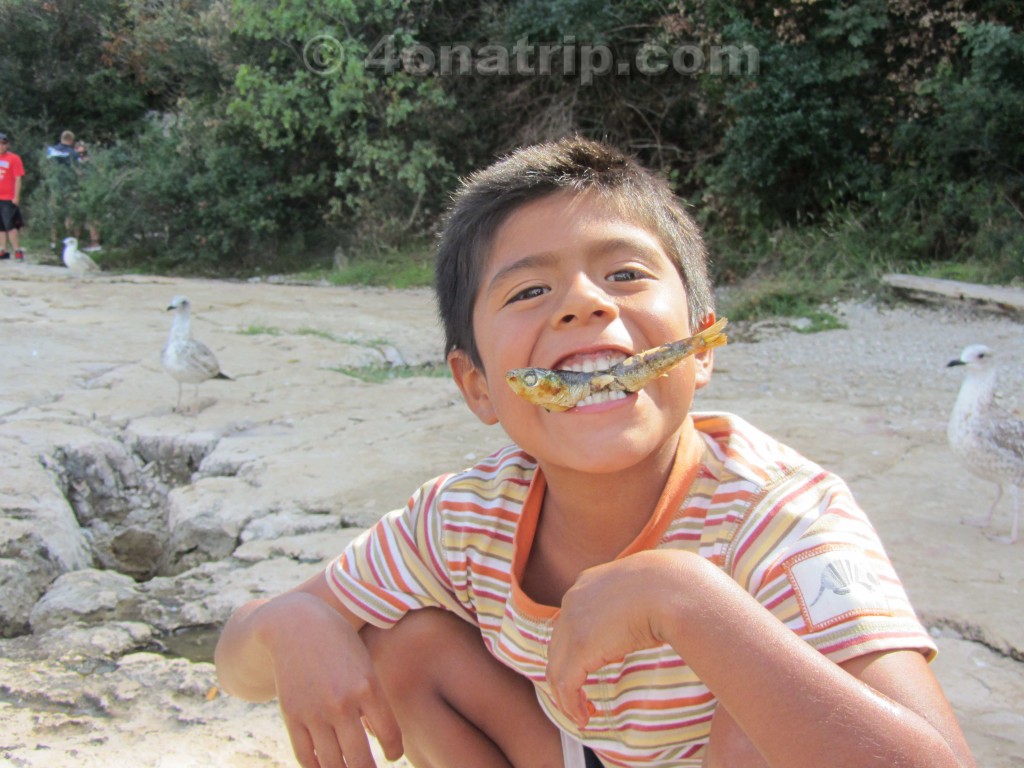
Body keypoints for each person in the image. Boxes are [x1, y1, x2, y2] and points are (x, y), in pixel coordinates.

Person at [215, 138, 976, 768]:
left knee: (761, 706)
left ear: (700, 345)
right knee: (402, 646)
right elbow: (235, 668)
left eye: (625, 273)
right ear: (477, 385)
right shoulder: (463, 518)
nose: (586, 301)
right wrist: (291, 625)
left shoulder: (779, 514)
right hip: (575, 750)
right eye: (527, 292)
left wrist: (683, 599)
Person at [46, 130, 80, 250]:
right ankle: (71, 241)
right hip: (70, 187)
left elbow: (47, 165)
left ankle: (54, 241)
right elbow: (78, 170)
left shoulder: (51, 150)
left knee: (55, 215)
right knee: (71, 215)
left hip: (55, 186)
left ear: (61, 138)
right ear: (71, 140)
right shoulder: (74, 154)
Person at [0, 132, 25, 262]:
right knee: (1, 226)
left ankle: (17, 250)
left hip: (8, 197)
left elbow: (18, 178)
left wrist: (16, 196)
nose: (2, 146)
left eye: (4, 143)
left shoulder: (14, 158)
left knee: (10, 225)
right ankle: (3, 250)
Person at [73, 140, 101, 252]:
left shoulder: (91, 163)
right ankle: (74, 242)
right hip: (77, 191)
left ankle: (95, 242)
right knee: (76, 217)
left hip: (89, 191)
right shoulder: (74, 162)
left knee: (92, 218)